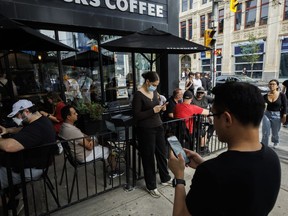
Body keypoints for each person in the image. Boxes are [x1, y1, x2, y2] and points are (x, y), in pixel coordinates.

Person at [168, 82, 281, 216]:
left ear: (227, 119)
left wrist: (179, 177)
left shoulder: (211, 173)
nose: (213, 122)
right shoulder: (272, 158)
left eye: (214, 116)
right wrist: (203, 165)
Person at [0, 99, 56, 189]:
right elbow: (24, 129)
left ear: (26, 111)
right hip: (37, 163)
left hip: (32, 170)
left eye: (18, 115)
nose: (16, 118)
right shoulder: (41, 120)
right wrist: (8, 130)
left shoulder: (37, 128)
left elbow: (8, 146)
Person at [132, 71, 171, 198]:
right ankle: (151, 186)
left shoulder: (154, 92)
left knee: (162, 153)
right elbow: (136, 115)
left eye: (157, 84)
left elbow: (156, 105)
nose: (155, 86)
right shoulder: (138, 95)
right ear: (147, 82)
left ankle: (165, 178)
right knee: (148, 157)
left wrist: (161, 108)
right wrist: (152, 111)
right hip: (145, 129)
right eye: (154, 84)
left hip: (158, 126)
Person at [58, 105, 123, 178]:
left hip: (76, 153)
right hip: (84, 155)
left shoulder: (64, 126)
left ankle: (111, 148)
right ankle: (114, 171)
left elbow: (83, 135)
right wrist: (92, 139)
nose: (77, 114)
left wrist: (91, 138)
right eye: (74, 113)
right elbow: (89, 147)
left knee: (99, 139)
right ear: (68, 117)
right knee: (110, 150)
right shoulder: (72, 131)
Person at [261, 79, 287, 148]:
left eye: (273, 84)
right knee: (265, 131)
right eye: (270, 84)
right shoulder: (265, 96)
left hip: (277, 115)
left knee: (275, 132)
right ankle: (264, 145)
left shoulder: (281, 95)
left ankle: (275, 141)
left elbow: (285, 106)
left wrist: (284, 115)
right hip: (266, 114)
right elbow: (261, 105)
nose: (271, 85)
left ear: (277, 86)